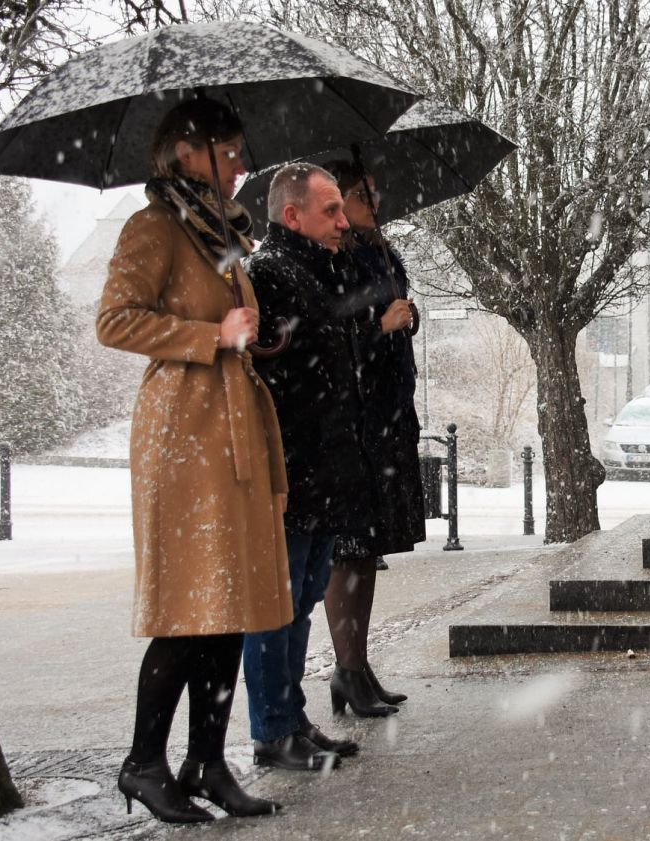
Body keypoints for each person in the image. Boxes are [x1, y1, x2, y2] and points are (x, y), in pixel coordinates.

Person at [97, 99, 290, 823]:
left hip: (233, 424)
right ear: (185, 151)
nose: (240, 162)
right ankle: (144, 760)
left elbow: (238, 323)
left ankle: (206, 759)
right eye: (229, 150)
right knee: (190, 607)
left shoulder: (224, 231)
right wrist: (211, 333)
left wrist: (251, 333)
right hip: (184, 431)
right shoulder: (154, 227)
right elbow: (115, 319)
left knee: (229, 603)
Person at [240, 162, 375, 770]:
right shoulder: (269, 272)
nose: (342, 221)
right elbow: (278, 374)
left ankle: (291, 718)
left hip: (324, 466)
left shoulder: (315, 268)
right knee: (278, 604)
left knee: (301, 603)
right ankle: (272, 730)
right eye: (330, 211)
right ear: (291, 214)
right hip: (294, 467)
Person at [320, 159, 426, 716]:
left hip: (387, 411)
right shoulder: (335, 257)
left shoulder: (381, 249)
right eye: (360, 192)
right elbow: (330, 331)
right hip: (355, 416)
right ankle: (348, 669)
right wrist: (378, 326)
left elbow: (389, 312)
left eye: (371, 190)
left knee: (369, 552)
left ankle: (358, 668)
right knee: (350, 550)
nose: (374, 198)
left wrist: (409, 317)